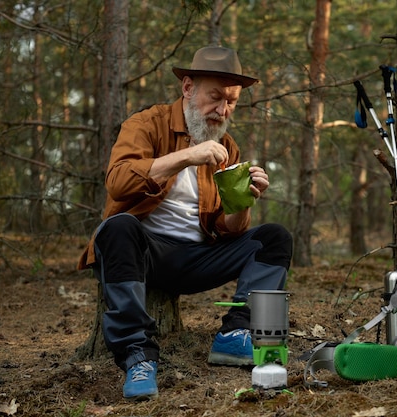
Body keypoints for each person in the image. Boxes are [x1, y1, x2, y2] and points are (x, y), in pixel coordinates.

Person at [77, 46, 293, 401]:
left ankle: (235, 333)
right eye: (216, 97)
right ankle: (138, 356)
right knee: (118, 227)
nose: (223, 110)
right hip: (141, 253)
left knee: (273, 237)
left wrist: (245, 200)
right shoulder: (146, 125)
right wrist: (187, 157)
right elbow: (118, 181)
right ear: (188, 87)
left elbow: (229, 229)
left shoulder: (227, 147)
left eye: (232, 102)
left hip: (198, 258)